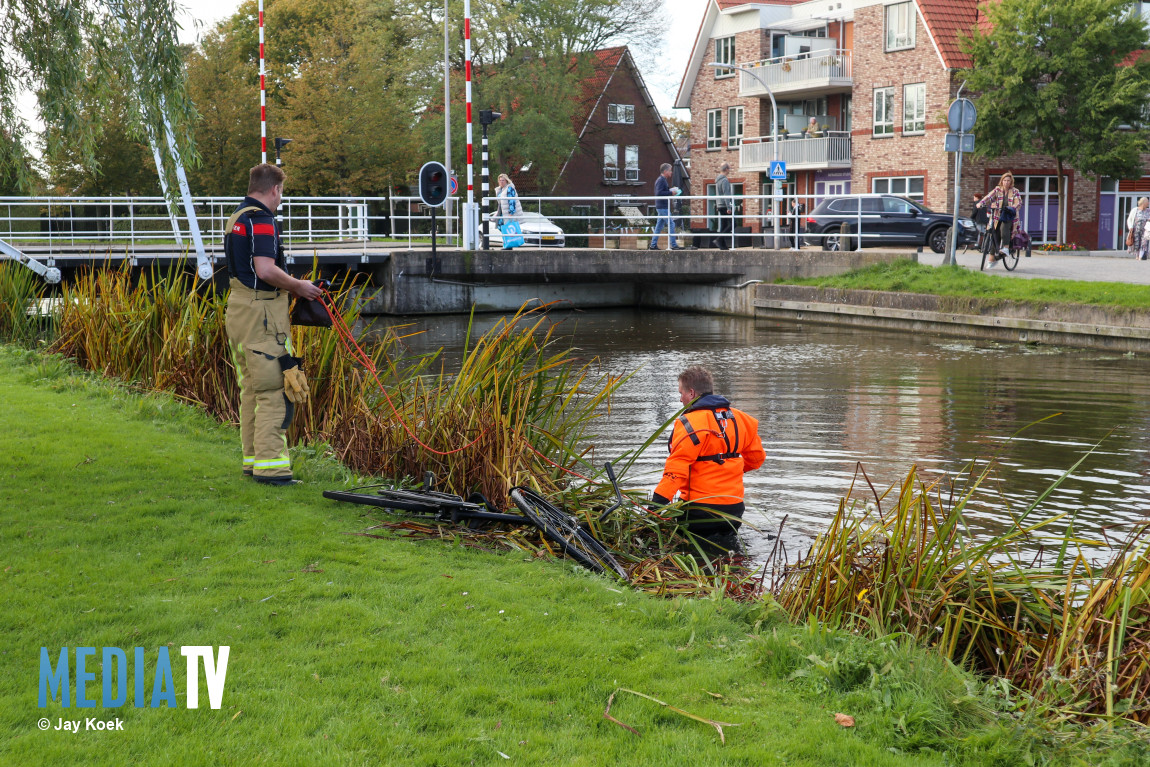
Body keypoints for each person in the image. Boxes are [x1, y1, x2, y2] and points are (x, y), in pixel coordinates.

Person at [224, 163, 323, 486]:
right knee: (274, 390)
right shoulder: (263, 220)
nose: (280, 199)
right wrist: (299, 287)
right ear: (274, 190)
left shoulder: (237, 217)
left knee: (250, 390)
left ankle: (253, 462)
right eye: (281, 193)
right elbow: (265, 269)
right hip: (262, 314)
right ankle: (274, 470)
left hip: (239, 311)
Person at [651, 366, 766, 551]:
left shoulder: (688, 423)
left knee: (691, 557)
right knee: (727, 554)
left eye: (681, 393)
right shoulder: (743, 420)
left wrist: (654, 506)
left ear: (691, 392)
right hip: (734, 510)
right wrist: (729, 469)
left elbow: (676, 470)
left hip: (699, 512)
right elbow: (757, 459)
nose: (680, 398)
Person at [975, 171, 1023, 268]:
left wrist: (1013, 207)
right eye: (1004, 180)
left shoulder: (1015, 191)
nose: (1006, 182)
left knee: (1004, 227)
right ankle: (991, 259)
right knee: (994, 235)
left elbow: (1018, 202)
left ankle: (1005, 247)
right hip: (997, 216)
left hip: (1009, 216)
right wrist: (981, 203)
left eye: (1008, 181)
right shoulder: (997, 190)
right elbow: (989, 197)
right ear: (1001, 181)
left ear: (1011, 182)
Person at [648, 163, 682, 251]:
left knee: (659, 226)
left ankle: (653, 245)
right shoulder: (661, 180)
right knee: (671, 224)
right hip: (663, 206)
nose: (671, 172)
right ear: (665, 171)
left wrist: (670, 190)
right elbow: (659, 193)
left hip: (661, 206)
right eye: (670, 170)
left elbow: (661, 191)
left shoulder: (662, 180)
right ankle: (673, 245)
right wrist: (671, 193)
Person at [714, 162, 734, 250]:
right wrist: (729, 207)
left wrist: (718, 204)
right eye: (729, 168)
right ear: (726, 169)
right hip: (725, 206)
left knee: (723, 225)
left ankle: (723, 246)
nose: (729, 170)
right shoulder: (725, 180)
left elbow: (718, 193)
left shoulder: (718, 180)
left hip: (720, 205)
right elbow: (726, 194)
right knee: (733, 224)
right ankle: (719, 239)